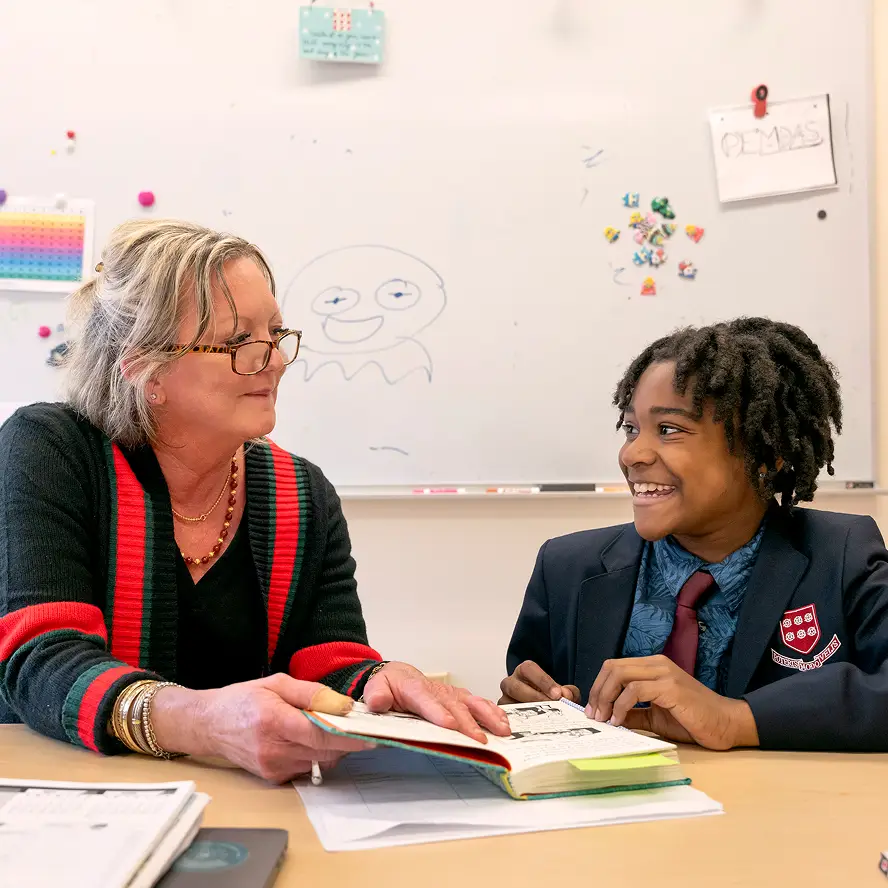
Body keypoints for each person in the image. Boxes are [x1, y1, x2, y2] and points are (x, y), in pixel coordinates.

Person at [0, 219, 509, 781]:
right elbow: (41, 659)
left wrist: (381, 681)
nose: (275, 359)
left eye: (276, 332)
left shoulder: (301, 491)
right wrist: (199, 719)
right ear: (146, 368)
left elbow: (327, 659)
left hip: (237, 795)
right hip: (61, 791)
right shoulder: (50, 450)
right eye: (240, 340)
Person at [501, 318, 888, 752]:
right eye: (631, 429)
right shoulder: (567, 567)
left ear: (767, 455)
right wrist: (523, 708)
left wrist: (736, 720)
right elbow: (529, 704)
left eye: (668, 430)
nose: (632, 454)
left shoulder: (842, 555)